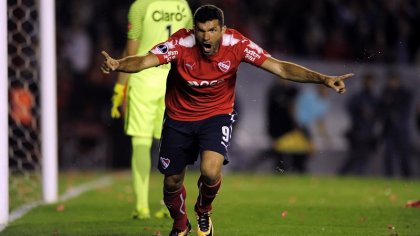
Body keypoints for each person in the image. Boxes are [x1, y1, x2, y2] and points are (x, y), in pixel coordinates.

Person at [101, 5, 353, 236]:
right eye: (201, 31)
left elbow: (281, 68)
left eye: (212, 30)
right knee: (172, 180)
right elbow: (145, 60)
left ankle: (203, 210)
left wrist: (323, 79)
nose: (206, 37)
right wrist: (118, 64)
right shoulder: (180, 42)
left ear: (222, 29)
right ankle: (180, 225)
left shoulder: (237, 43)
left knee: (210, 172)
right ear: (194, 30)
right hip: (179, 117)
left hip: (216, 115)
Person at [110, 0, 193, 220]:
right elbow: (191, 44)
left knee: (141, 143)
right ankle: (168, 205)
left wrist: (120, 87)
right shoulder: (182, 5)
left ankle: (141, 206)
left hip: (144, 80)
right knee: (171, 142)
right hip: (174, 81)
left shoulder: (140, 6)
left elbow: (132, 51)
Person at [338, 73, 379, 175]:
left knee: (365, 158)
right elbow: (350, 109)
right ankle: (342, 174)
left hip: (369, 133)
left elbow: (378, 114)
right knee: (354, 156)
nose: (369, 83)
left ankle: (359, 175)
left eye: (371, 81)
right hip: (357, 132)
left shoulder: (374, 99)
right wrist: (360, 111)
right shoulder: (358, 97)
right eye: (368, 81)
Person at [378, 71, 413, 178]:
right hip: (389, 130)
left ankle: (407, 177)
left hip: (401, 130)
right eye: (390, 81)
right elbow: (381, 109)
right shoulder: (385, 93)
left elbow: (405, 109)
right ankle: (389, 176)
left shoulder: (404, 93)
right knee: (389, 154)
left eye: (394, 80)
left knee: (404, 155)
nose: (392, 83)